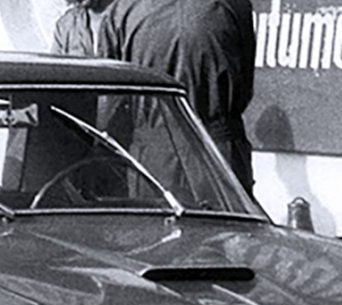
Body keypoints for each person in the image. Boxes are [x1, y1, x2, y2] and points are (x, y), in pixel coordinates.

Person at [97, 0, 256, 196]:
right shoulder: (234, 5)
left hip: (154, 157)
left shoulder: (122, 11)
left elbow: (110, 105)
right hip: (219, 153)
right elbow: (244, 88)